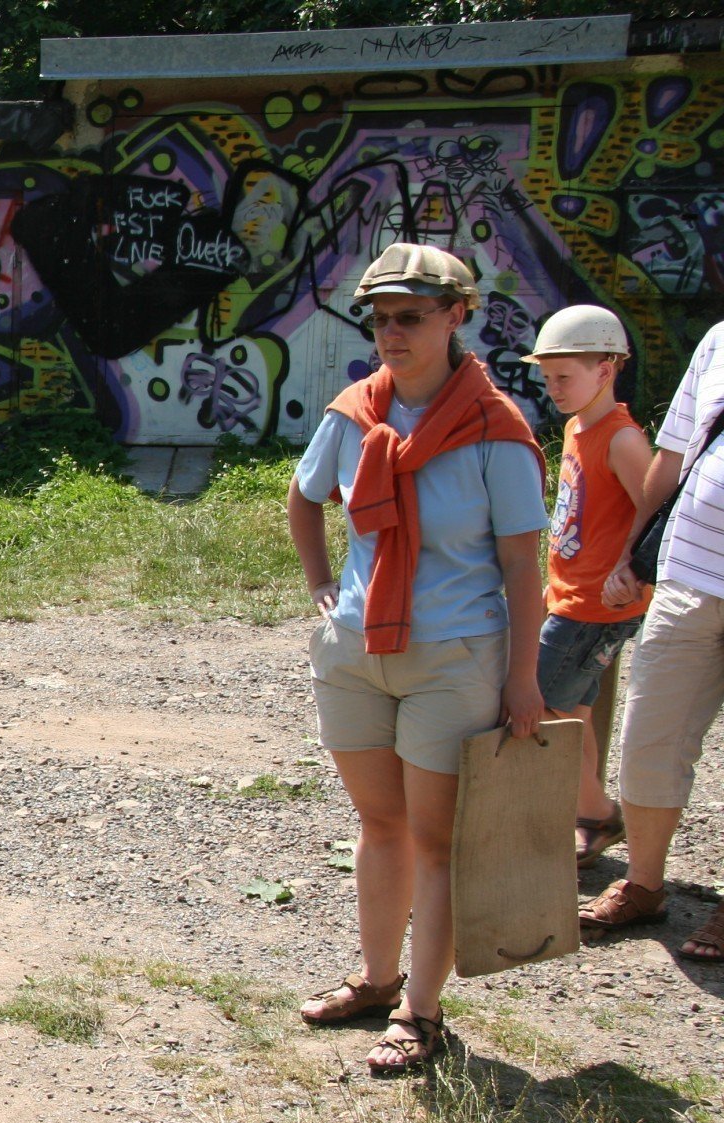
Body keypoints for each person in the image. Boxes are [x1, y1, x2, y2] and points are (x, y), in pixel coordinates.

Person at [286, 242, 546, 1074]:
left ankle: (420, 1013)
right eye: (381, 318)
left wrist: (523, 678)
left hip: (451, 656)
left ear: (456, 317)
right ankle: (374, 977)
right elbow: (303, 499)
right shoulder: (354, 412)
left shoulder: (496, 430)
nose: (392, 333)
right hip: (358, 650)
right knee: (379, 823)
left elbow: (519, 567)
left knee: (434, 841)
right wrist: (324, 586)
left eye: (411, 317)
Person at [580, 318, 724, 964]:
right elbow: (674, 455)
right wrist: (634, 555)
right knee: (648, 739)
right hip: (691, 572)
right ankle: (644, 884)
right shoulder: (719, 340)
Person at [522, 306, 652, 866]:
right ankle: (588, 813)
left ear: (607, 368)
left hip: (598, 606)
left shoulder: (622, 440)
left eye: (565, 377)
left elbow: (655, 509)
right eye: (548, 378)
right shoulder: (579, 426)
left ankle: (595, 812)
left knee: (541, 699)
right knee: (569, 706)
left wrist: (629, 566)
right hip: (571, 596)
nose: (554, 389)